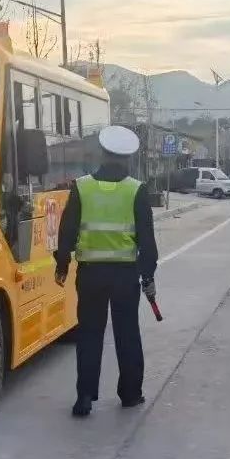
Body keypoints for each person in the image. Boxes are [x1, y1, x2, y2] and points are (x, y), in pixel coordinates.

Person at [54, 126, 158, 418]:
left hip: (90, 275)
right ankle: (130, 394)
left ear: (102, 153)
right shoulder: (136, 189)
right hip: (125, 276)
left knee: (89, 335)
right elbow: (147, 242)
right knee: (127, 334)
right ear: (127, 159)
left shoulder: (82, 186)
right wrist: (148, 276)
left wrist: (62, 265)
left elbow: (67, 231)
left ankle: (84, 397)